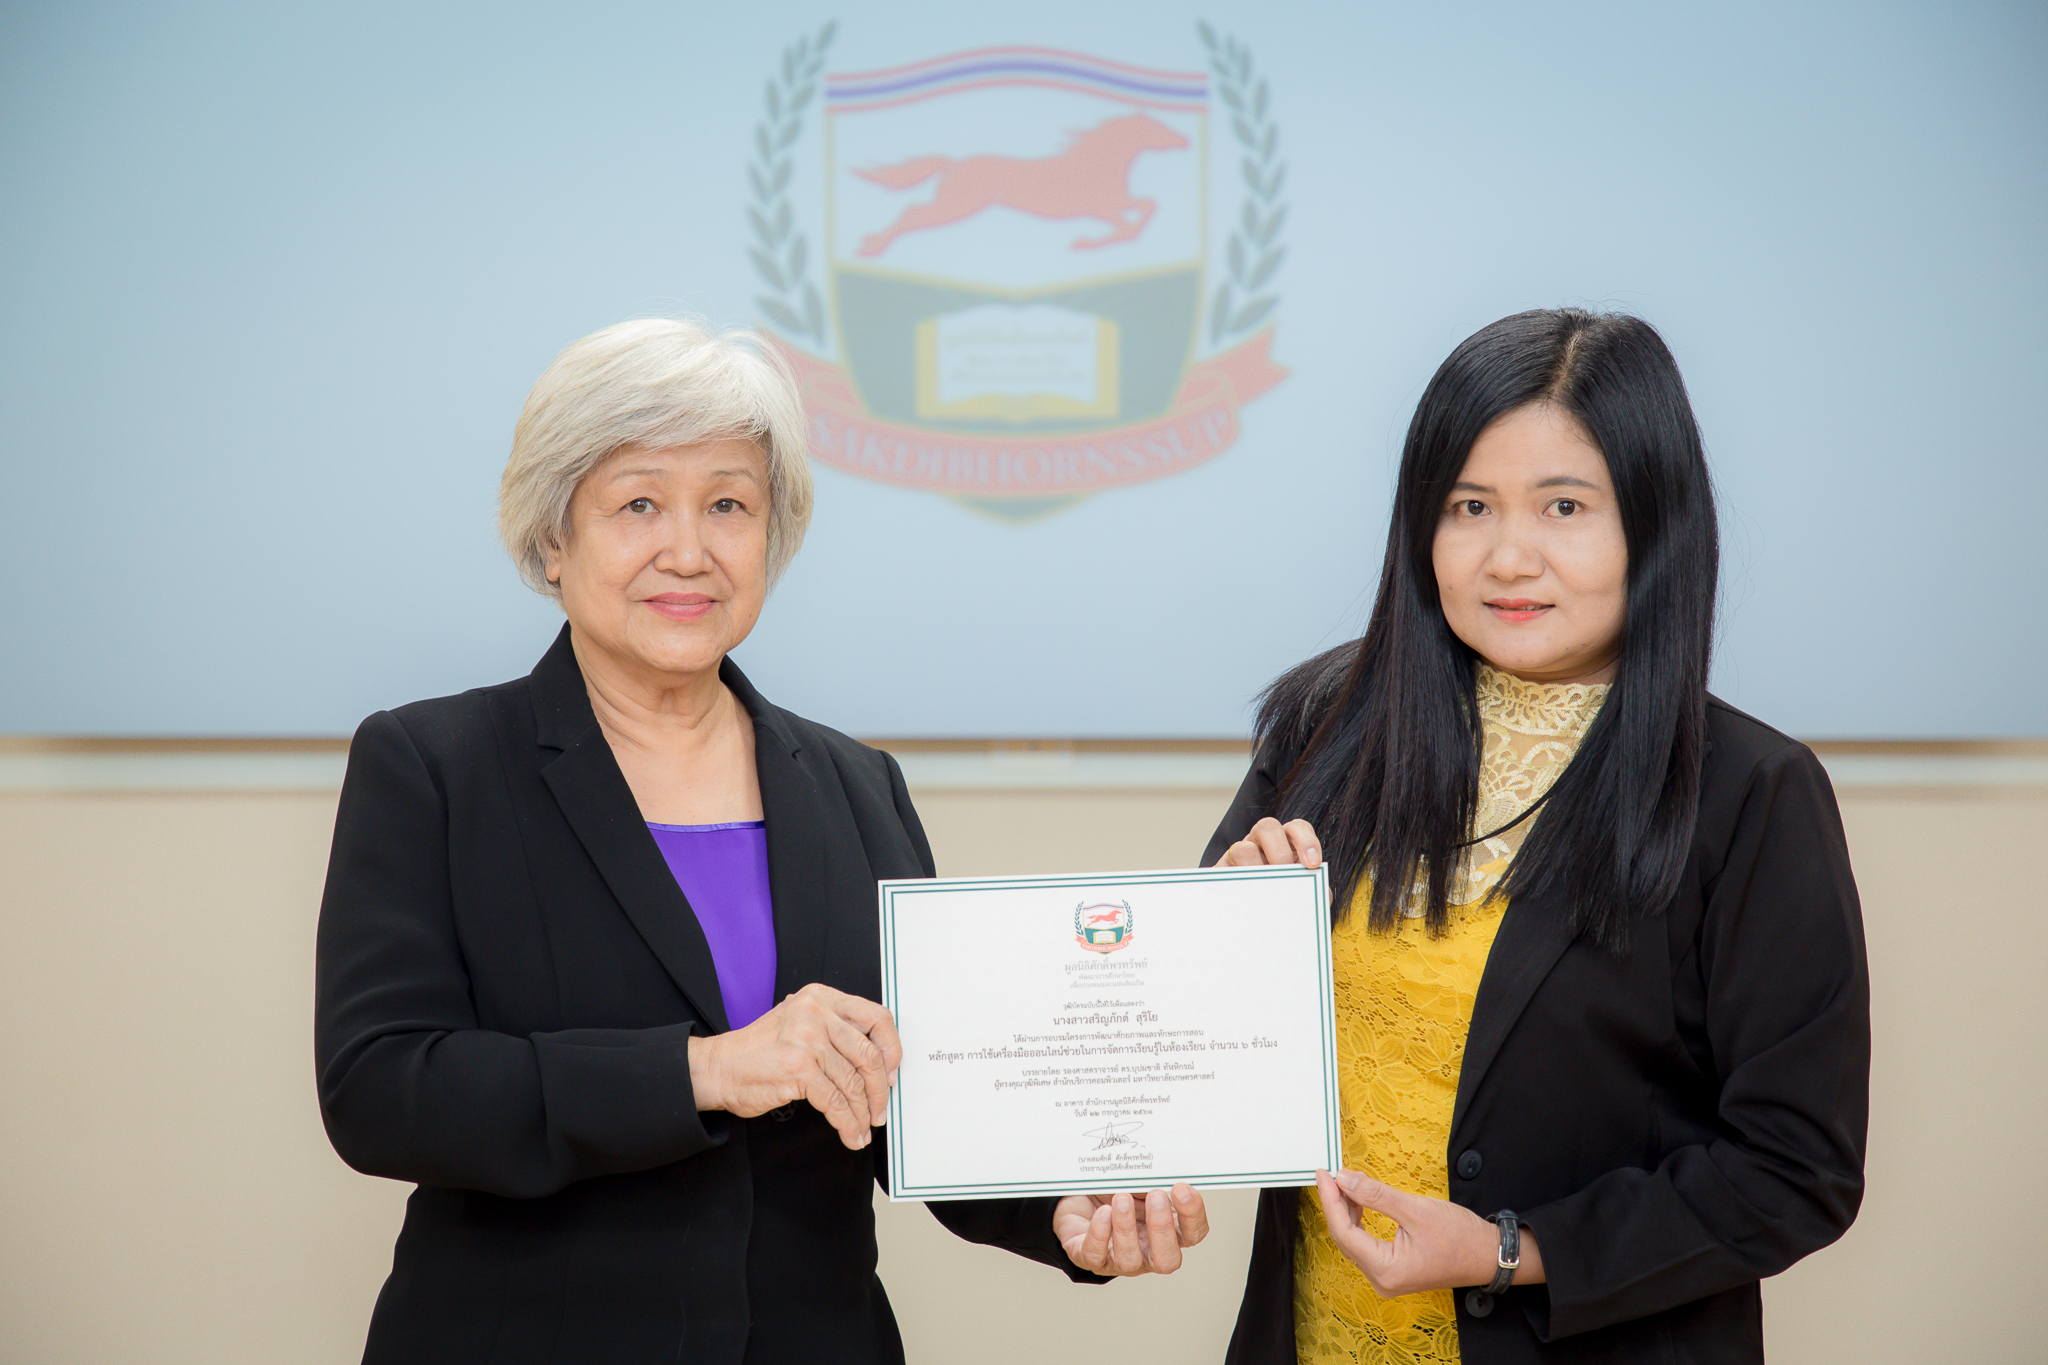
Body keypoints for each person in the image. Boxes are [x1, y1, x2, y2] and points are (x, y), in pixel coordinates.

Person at [313, 318, 1209, 1365]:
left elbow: (918, 1100)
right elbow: (381, 1089)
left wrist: (1063, 1210)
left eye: (728, 505)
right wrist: (705, 1070)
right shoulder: (435, 766)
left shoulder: (856, 786)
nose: (688, 551)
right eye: (639, 503)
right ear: (552, 539)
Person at [1206, 309, 1868, 1363]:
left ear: (1654, 522)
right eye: (1468, 506)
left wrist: (1507, 1250)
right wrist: (1224, 931)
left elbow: (1794, 1171)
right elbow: (1195, 1048)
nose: (1509, 557)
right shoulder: (1325, 727)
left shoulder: (1752, 792)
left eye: (1564, 506)